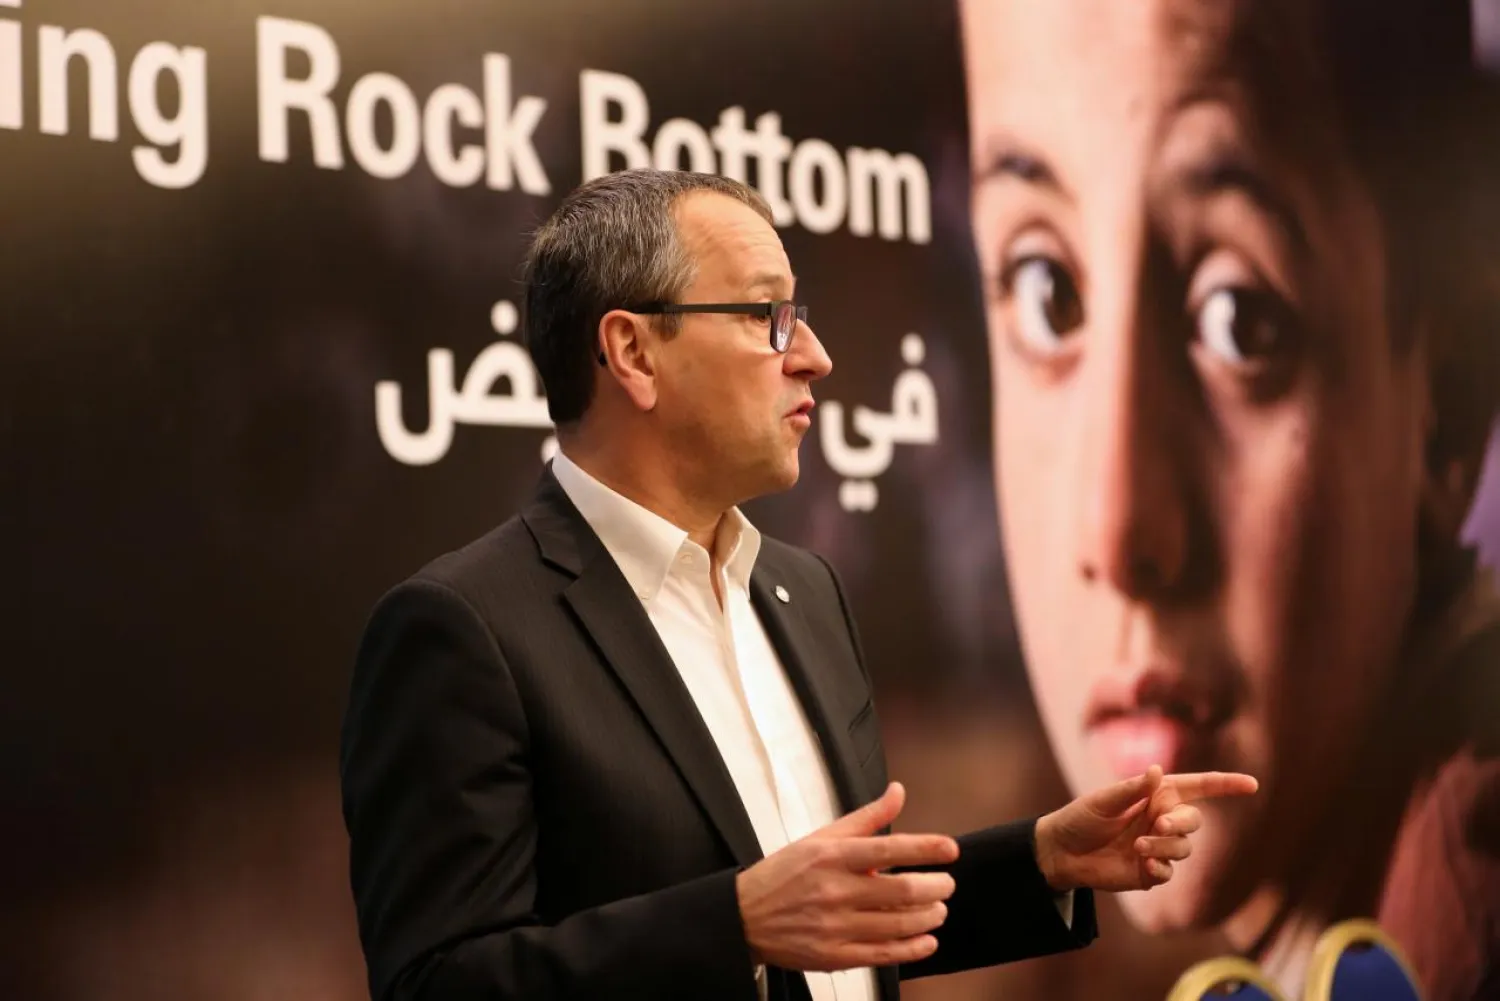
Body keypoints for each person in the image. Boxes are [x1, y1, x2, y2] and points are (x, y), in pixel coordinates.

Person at [338, 167, 1258, 1001]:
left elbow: (838, 923)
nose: (814, 353)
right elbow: (435, 985)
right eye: (766, 316)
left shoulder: (802, 590)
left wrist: (1043, 863)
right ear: (633, 353)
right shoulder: (465, 630)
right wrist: (730, 924)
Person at [957, 0, 1500, 998]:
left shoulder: (1463, 895)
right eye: (1047, 292)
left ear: (1446, 409)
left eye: (1242, 319)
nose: (1117, 531)